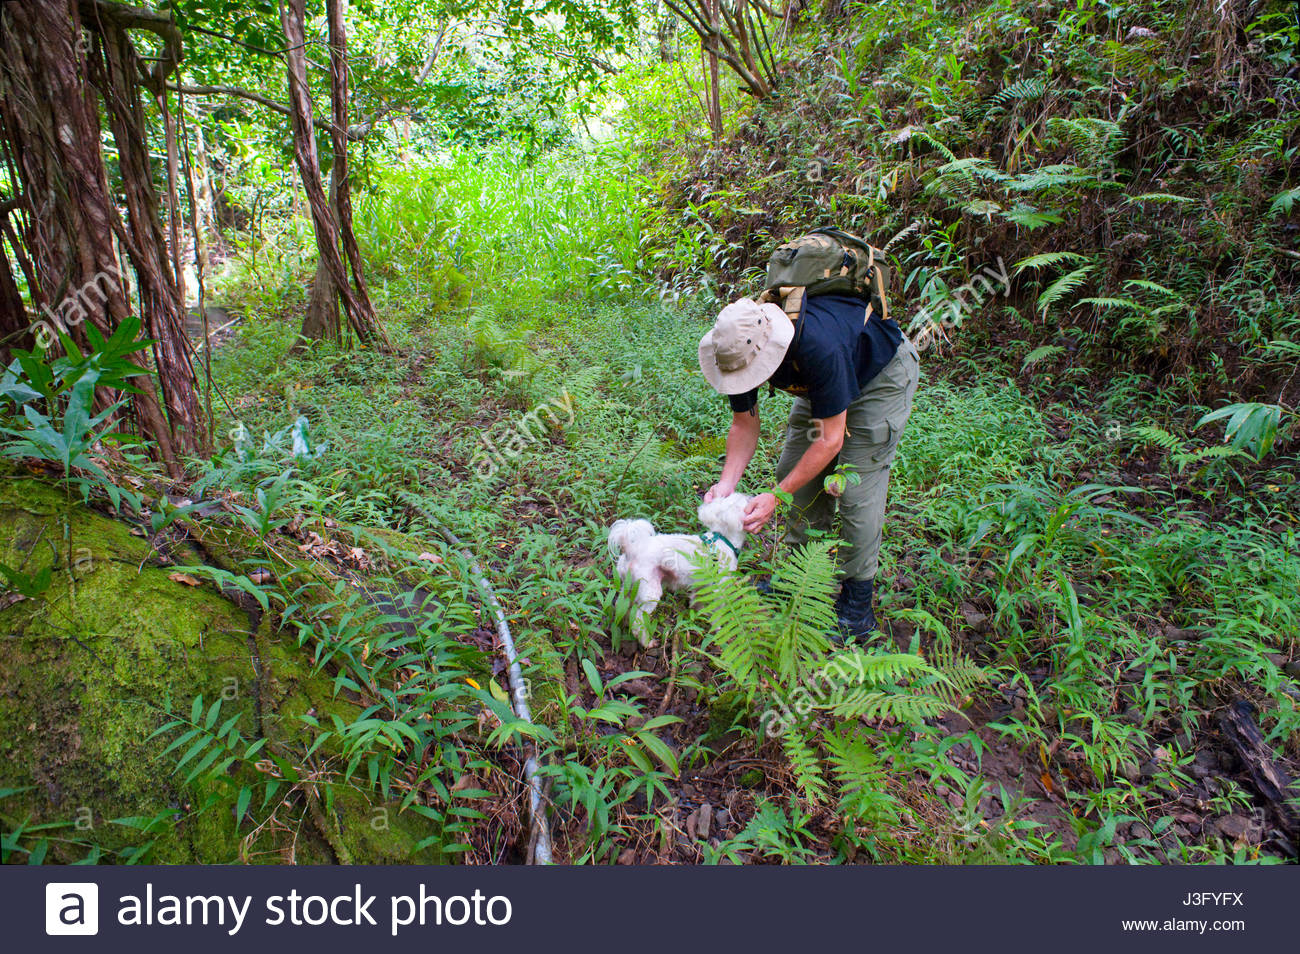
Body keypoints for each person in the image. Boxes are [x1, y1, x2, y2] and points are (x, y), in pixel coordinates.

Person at [697, 292, 919, 640]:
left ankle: (857, 610)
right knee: (792, 473)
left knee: (857, 491)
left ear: (768, 352)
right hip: (821, 389)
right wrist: (727, 483)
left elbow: (830, 441)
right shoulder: (736, 351)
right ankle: (800, 576)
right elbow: (744, 423)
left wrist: (774, 497)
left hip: (878, 379)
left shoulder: (819, 345)